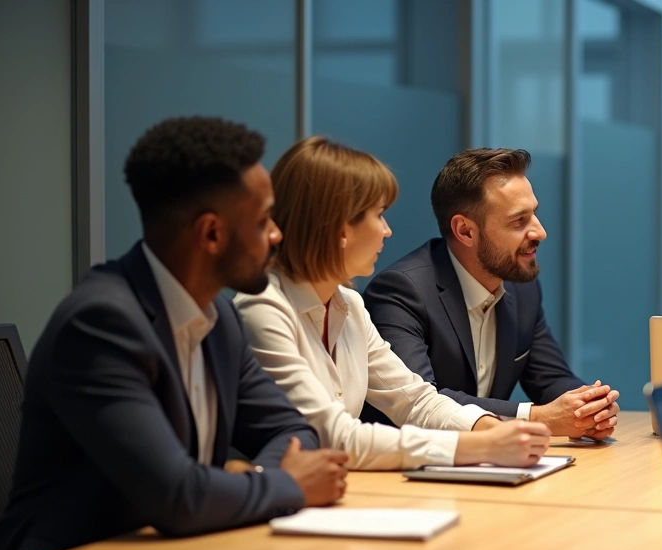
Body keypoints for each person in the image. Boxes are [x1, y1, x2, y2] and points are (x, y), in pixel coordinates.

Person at [0, 117, 349, 550]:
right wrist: (290, 485)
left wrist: (258, 477)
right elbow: (178, 495)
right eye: (263, 222)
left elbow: (292, 430)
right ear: (211, 234)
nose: (277, 235)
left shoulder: (218, 318)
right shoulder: (102, 325)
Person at [235, 137, 550, 470]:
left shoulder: (350, 306)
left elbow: (415, 401)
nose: (387, 231)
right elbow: (333, 437)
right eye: (379, 215)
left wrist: (492, 429)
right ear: (341, 229)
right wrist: (478, 446)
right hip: (264, 508)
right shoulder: (263, 309)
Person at [361, 148, 619, 440]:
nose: (540, 232)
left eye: (534, 213)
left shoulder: (522, 286)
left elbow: (551, 378)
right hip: (404, 471)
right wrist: (540, 418)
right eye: (518, 221)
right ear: (466, 231)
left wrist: (590, 408)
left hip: (489, 464)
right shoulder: (402, 291)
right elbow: (422, 403)